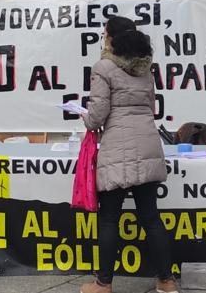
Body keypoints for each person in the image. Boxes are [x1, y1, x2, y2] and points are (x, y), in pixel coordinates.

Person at [79, 16, 178, 293]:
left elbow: (97, 115)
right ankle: (167, 281)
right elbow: (149, 105)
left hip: (118, 148)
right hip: (147, 144)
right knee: (151, 217)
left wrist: (85, 117)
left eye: (104, 33)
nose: (102, 36)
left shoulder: (103, 67)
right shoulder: (145, 68)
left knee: (109, 218)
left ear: (112, 38)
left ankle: (103, 284)